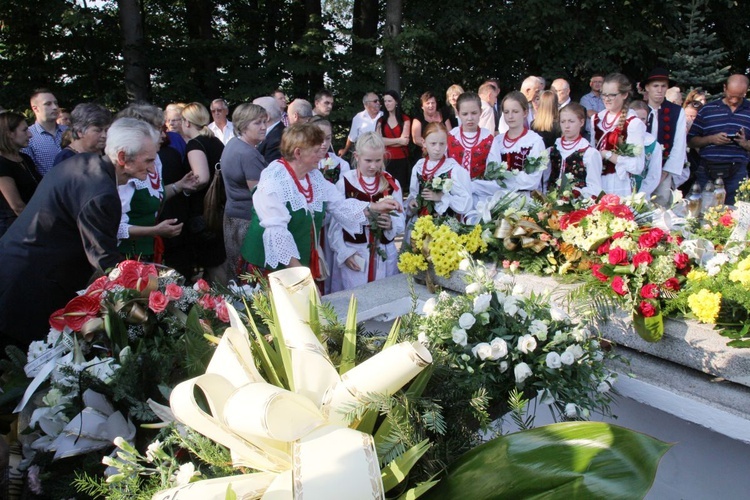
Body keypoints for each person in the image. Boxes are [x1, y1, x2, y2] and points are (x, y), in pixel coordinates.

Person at [0, 118, 159, 350]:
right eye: (149, 160)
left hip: (15, 267)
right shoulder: (101, 193)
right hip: (28, 289)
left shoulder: (84, 161)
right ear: (123, 158)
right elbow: (105, 263)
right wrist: (148, 296)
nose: (153, 169)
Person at [240, 123, 400, 288]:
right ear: (298, 153)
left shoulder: (313, 176)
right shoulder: (274, 181)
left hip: (299, 266)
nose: (322, 154)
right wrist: (304, 281)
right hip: (268, 267)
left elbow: (339, 205)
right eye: (316, 151)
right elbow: (278, 235)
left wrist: (374, 207)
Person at [115, 104, 198, 264]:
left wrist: (178, 186)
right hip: (127, 255)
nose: (163, 135)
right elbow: (116, 227)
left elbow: (155, 194)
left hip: (149, 249)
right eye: (158, 130)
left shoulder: (155, 160)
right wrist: (155, 230)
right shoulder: (128, 168)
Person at [329, 132, 404, 292]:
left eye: (378, 160)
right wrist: (344, 253)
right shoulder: (345, 183)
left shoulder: (391, 183)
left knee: (383, 297)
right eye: (368, 160)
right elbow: (335, 225)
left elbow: (400, 219)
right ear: (356, 156)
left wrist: (391, 224)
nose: (373, 166)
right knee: (356, 301)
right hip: (356, 254)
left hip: (383, 256)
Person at [221, 103, 268, 282]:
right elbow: (260, 196)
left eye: (265, 121)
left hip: (233, 216)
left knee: (237, 274)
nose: (263, 127)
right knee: (248, 278)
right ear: (243, 125)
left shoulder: (233, 144)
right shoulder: (248, 154)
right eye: (257, 123)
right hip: (247, 222)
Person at [182, 102, 227, 284]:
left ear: (187, 123)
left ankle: (223, 302)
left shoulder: (195, 145)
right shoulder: (214, 141)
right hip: (218, 208)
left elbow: (201, 178)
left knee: (212, 264)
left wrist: (182, 189)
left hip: (203, 211)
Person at [688, 74, 750, 205]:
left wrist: (745, 143)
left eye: (739, 96)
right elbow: (691, 141)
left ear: (746, 91)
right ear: (724, 88)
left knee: (734, 214)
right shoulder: (707, 110)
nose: (734, 100)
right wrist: (711, 139)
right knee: (704, 209)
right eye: (731, 95)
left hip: (737, 171)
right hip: (707, 169)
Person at [590, 73, 646, 198]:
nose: (607, 98)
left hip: (620, 184)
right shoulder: (596, 119)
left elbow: (637, 166)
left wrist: (607, 154)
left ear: (624, 95)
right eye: (604, 94)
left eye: (612, 95)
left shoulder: (633, 123)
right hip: (597, 182)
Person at [406, 122, 472, 218]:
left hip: (444, 227)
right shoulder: (419, 166)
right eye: (433, 144)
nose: (438, 148)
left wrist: (442, 197)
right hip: (420, 222)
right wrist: (412, 202)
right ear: (424, 143)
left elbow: (466, 201)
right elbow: (414, 193)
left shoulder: (452, 168)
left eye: (442, 144)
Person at [487, 91, 547, 197]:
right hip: (500, 198)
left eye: (515, 111)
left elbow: (533, 180)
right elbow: (491, 175)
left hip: (526, 199)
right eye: (506, 112)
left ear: (525, 113)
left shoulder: (534, 141)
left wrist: (504, 178)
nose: (510, 116)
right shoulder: (497, 141)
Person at [642, 68, 687, 206]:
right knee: (638, 203)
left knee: (661, 204)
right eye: (655, 86)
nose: (659, 90)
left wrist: (666, 171)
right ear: (647, 87)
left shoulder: (676, 111)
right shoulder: (637, 108)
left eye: (663, 86)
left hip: (664, 168)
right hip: (639, 168)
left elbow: (679, 144)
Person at [547, 102, 602, 199]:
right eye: (563, 121)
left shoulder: (589, 153)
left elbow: (595, 189)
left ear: (581, 122)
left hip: (577, 207)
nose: (566, 126)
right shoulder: (552, 150)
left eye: (571, 121)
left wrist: (575, 193)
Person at [0, 112, 42, 237]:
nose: (30, 135)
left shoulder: (25, 158)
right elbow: (17, 206)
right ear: (9, 134)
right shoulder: (2, 164)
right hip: (13, 229)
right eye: (24, 130)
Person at [447, 92, 494, 182]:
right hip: (454, 190)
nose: (470, 118)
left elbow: (493, 172)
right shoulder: (451, 136)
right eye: (465, 114)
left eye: (474, 113)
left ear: (480, 111)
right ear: (458, 113)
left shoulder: (488, 138)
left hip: (481, 190)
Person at [22, 89, 66, 176]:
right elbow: (29, 171)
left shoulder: (69, 131)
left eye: (56, 103)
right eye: (48, 104)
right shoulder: (28, 136)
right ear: (35, 108)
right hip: (47, 187)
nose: (55, 107)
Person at [376, 90, 411, 194]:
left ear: (396, 102)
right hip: (386, 159)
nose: (387, 104)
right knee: (386, 188)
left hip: (401, 160)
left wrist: (387, 141)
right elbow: (379, 141)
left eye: (389, 101)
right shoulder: (381, 121)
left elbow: (405, 141)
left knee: (399, 189)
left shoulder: (405, 119)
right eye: (385, 101)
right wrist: (398, 140)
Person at [629, 100, 663, 201]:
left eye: (643, 119)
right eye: (635, 118)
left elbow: (654, 175)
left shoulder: (652, 144)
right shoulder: (618, 139)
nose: (639, 122)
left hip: (641, 196)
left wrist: (640, 196)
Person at [338, 92, 382, 157]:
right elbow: (352, 137)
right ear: (366, 104)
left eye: (378, 100)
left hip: (380, 154)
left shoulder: (384, 116)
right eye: (375, 101)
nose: (378, 103)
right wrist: (345, 150)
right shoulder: (358, 117)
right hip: (363, 155)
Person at [254, 96, 284, 164]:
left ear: (266, 117)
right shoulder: (275, 133)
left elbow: (268, 170)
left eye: (254, 113)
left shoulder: (277, 140)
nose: (250, 117)